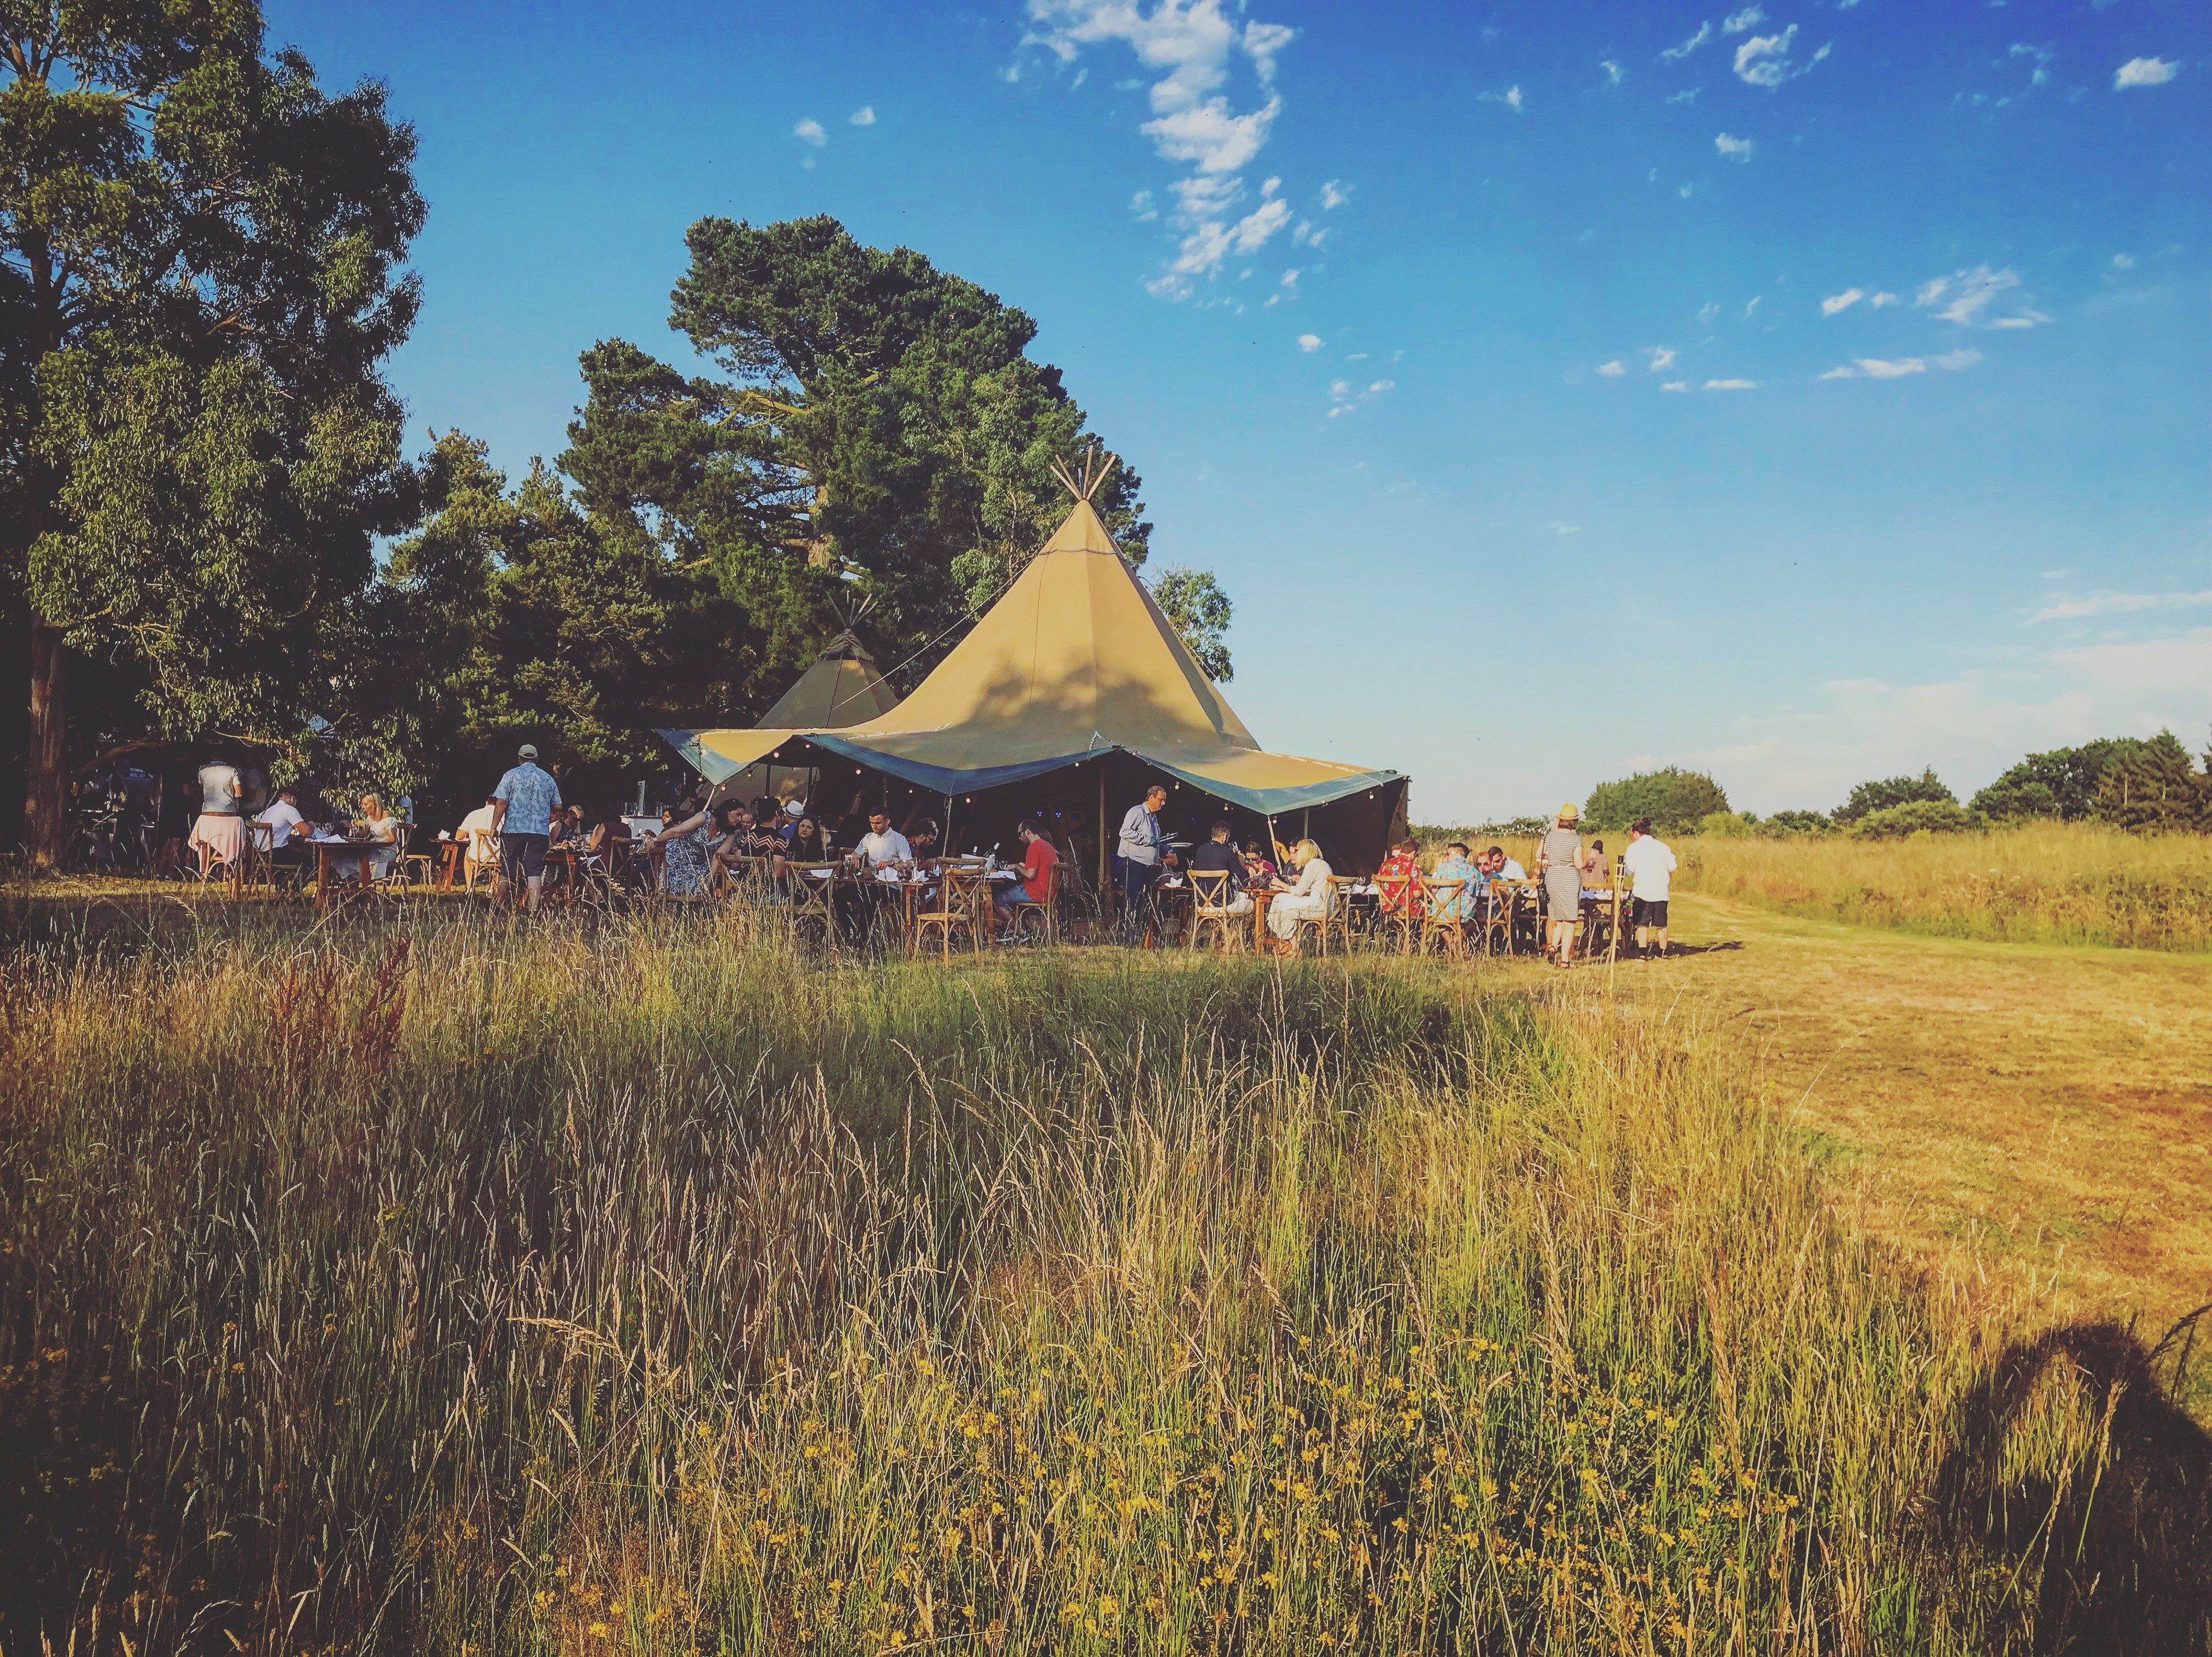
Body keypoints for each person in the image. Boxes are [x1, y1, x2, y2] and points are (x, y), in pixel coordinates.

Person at [489, 743, 563, 911]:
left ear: (520, 759)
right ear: (536, 759)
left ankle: (500, 906)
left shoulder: (510, 776)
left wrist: (494, 827)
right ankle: (534, 910)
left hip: (514, 830)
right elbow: (558, 805)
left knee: (508, 869)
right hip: (539, 832)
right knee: (534, 871)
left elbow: (501, 803)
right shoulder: (547, 778)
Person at [1621, 817, 1679, 958]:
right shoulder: (1663, 847)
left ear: (1636, 833)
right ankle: (1663, 953)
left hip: (1642, 890)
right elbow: (1673, 867)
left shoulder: (1634, 848)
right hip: (1661, 891)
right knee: (1661, 924)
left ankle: (1642, 953)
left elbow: (1628, 870)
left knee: (1642, 923)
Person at [994, 819, 1062, 935]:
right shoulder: (1049, 847)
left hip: (1036, 892)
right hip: (1050, 893)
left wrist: (1016, 866)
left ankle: (1021, 933)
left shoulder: (1034, 847)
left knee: (998, 900)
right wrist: (1024, 867)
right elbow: (1041, 868)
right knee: (1010, 896)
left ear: (1027, 831)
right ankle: (1014, 929)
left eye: (1020, 834)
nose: (1019, 838)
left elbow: (1030, 875)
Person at [1116, 784, 1168, 938]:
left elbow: (1154, 841)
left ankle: (1138, 936)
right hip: (1133, 864)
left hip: (1147, 867)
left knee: (1143, 903)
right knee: (1133, 902)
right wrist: (1147, 840)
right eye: (1161, 800)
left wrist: (1164, 847)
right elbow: (1124, 832)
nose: (1163, 803)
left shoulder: (1154, 818)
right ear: (1151, 797)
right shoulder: (1137, 812)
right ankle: (1127, 938)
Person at [1265, 838, 1334, 954]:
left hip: (1318, 906)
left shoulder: (1312, 865)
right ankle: (1288, 944)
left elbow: (1298, 891)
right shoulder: (1323, 864)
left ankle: (1291, 946)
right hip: (1326, 905)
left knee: (1283, 908)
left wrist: (1280, 884)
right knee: (1280, 899)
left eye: (1298, 851)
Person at [1536, 804, 1584, 966]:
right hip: (1569, 878)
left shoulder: (1549, 836)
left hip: (1552, 877)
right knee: (1570, 921)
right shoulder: (1575, 839)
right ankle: (1564, 960)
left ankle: (1553, 947)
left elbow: (1539, 854)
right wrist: (1590, 858)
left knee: (1559, 919)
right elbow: (1579, 864)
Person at [642, 792, 714, 897]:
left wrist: (654, 841)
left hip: (667, 872)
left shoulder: (674, 832)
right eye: (663, 815)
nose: (664, 818)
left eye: (667, 816)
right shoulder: (673, 832)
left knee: (640, 872)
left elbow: (660, 850)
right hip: (678, 875)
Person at [189, 755, 246, 876]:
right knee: (229, 839)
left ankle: (204, 871)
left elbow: (202, 789)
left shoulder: (203, 770)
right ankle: (227, 868)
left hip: (207, 814)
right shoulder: (232, 770)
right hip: (227, 814)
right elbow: (239, 793)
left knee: (205, 842)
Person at [1188, 821, 1252, 918]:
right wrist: (1241, 861)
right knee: (1252, 903)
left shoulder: (1200, 850)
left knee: (1240, 896)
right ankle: (1235, 928)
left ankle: (1224, 928)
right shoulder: (1228, 853)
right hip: (1223, 905)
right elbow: (1245, 880)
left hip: (1202, 905)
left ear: (1212, 835)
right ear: (1225, 836)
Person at [253, 785, 307, 876]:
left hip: (260, 855)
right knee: (310, 862)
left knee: (295, 852)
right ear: (293, 799)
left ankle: (284, 882)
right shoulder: (289, 809)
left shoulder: (266, 812)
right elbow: (306, 831)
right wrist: (312, 826)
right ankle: (297, 885)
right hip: (276, 855)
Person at [1375, 838, 1425, 923]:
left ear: (1401, 850)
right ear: (1413, 853)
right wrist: (1426, 890)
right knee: (1428, 908)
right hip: (1406, 909)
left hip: (1386, 906)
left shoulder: (1385, 865)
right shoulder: (1413, 868)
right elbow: (1417, 893)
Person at [355, 793, 401, 884]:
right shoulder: (370, 817)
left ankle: (366, 883)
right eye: (362, 805)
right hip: (375, 849)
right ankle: (356, 884)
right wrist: (354, 829)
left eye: (365, 804)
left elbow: (392, 839)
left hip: (386, 851)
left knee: (366, 859)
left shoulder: (388, 817)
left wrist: (376, 845)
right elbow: (364, 833)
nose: (363, 808)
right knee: (357, 857)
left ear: (375, 804)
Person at [1432, 840, 1481, 923]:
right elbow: (1476, 894)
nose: (1447, 856)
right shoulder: (1475, 871)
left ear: (1458, 854)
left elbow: (1433, 886)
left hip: (1441, 912)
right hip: (1464, 915)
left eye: (1449, 853)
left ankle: (1447, 934)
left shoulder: (1445, 867)